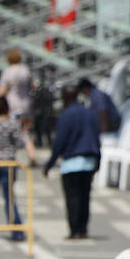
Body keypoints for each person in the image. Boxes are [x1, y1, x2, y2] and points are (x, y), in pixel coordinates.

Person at [45, 85, 101, 241]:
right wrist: (99, 160)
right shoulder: (90, 114)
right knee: (85, 197)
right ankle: (83, 229)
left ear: (64, 98)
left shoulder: (65, 116)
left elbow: (59, 142)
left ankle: (74, 230)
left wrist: (50, 164)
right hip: (89, 161)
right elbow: (97, 139)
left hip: (71, 163)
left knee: (72, 198)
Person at [0, 96, 36, 241]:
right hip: (7, 163)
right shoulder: (11, 123)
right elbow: (19, 143)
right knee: (9, 198)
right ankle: (16, 230)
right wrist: (24, 132)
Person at [0, 49, 33, 124]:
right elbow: (33, 86)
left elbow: (1, 90)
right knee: (23, 130)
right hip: (26, 104)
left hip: (11, 104)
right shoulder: (26, 70)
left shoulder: (8, 71)